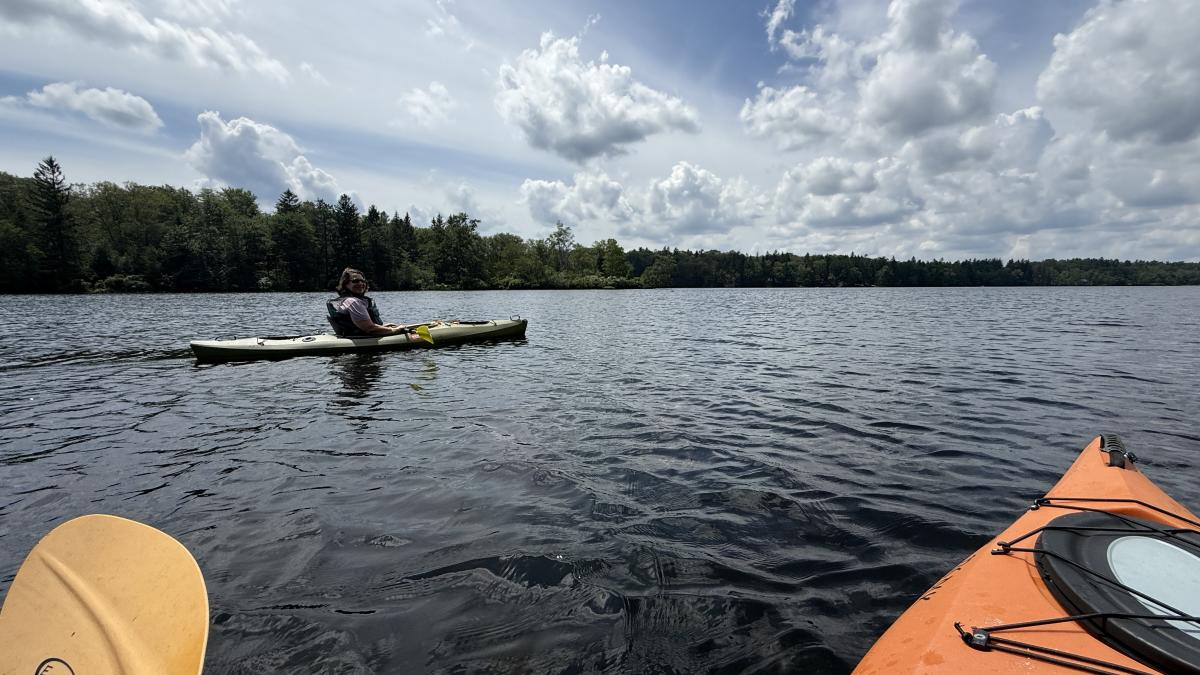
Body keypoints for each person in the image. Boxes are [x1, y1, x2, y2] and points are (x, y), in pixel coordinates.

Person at [326, 268, 411, 337]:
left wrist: (385, 327)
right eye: (355, 281)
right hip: (361, 338)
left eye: (362, 281)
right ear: (346, 284)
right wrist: (395, 330)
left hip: (355, 335)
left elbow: (363, 326)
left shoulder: (347, 300)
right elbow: (369, 328)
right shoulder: (353, 302)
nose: (360, 283)